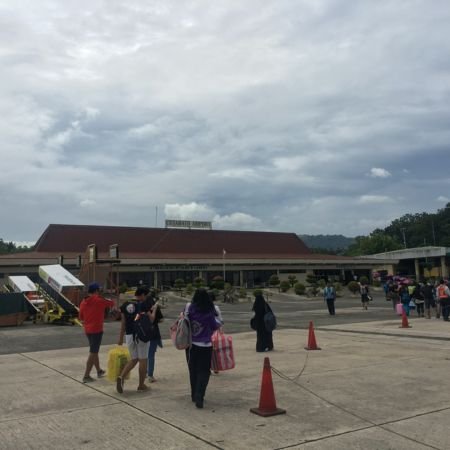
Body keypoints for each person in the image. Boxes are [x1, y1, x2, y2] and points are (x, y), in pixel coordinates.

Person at [185, 288, 220, 409]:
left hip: (191, 345)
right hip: (206, 345)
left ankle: (194, 394)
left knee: (193, 370)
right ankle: (200, 395)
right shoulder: (210, 311)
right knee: (204, 371)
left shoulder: (190, 308)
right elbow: (215, 326)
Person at [117, 286, 156, 393]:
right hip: (141, 335)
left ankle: (121, 377)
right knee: (143, 360)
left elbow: (123, 323)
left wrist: (120, 338)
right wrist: (155, 309)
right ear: (143, 295)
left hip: (129, 336)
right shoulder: (144, 305)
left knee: (134, 359)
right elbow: (151, 319)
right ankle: (141, 385)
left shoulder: (125, 305)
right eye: (146, 295)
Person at [79, 282, 115, 383]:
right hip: (97, 330)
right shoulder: (99, 300)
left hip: (88, 329)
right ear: (96, 291)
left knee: (94, 351)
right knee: (93, 352)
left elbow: (81, 316)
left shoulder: (83, 301)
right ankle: (86, 375)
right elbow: (112, 303)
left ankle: (99, 371)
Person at [146, 290, 163, 383]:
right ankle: (150, 375)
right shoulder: (154, 305)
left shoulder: (141, 304)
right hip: (153, 332)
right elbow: (160, 319)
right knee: (151, 354)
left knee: (144, 354)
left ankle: (144, 372)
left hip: (143, 332)